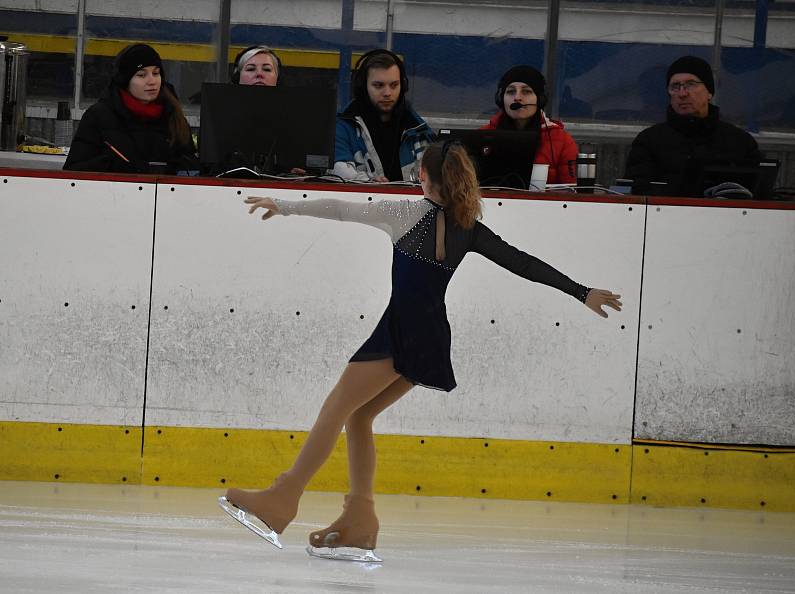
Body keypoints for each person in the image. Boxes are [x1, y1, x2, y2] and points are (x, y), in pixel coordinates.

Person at [218, 140, 622, 562]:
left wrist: (283, 205)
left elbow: (342, 210)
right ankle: (360, 519)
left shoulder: (406, 213)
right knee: (359, 416)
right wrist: (581, 292)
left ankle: (282, 498)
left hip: (401, 333)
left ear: (422, 177)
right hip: (430, 335)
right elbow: (522, 262)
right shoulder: (470, 228)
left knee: (336, 408)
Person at [624, 55, 761, 195]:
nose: (682, 93)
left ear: (709, 92)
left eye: (691, 84)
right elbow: (636, 194)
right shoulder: (649, 141)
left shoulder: (740, 142)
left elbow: (758, 193)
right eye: (675, 86)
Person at [64, 44, 197, 174]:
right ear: (125, 80)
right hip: (112, 194)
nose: (152, 81)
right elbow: (73, 172)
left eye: (156, 73)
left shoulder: (173, 115)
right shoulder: (99, 116)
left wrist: (177, 167)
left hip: (167, 194)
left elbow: (191, 167)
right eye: (141, 75)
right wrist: (112, 166)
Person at [333, 49, 435, 182]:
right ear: (363, 87)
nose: (387, 92)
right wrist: (368, 183)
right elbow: (339, 171)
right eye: (378, 85)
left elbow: (434, 180)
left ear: (403, 86)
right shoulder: (344, 127)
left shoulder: (418, 130)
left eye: (394, 85)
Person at [482, 65, 578, 185]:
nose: (517, 98)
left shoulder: (562, 141)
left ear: (540, 99)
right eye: (511, 91)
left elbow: (570, 193)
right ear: (501, 99)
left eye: (526, 91)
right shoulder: (483, 136)